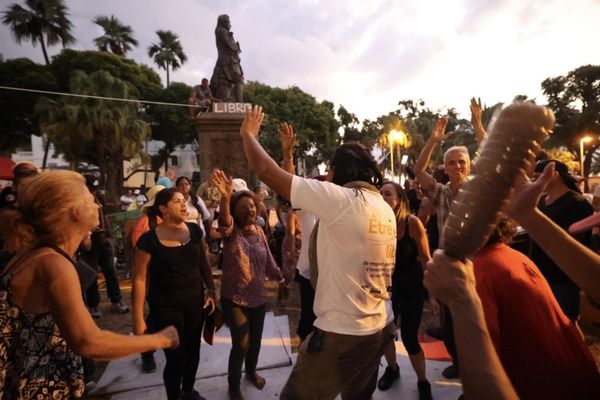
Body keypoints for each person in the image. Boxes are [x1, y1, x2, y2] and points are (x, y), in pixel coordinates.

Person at [238, 106, 397, 400]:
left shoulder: (343, 200)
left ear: (337, 171)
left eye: (330, 170)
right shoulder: (383, 207)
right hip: (377, 327)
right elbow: (294, 193)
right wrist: (288, 155)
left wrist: (247, 134)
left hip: (341, 332)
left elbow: (265, 172)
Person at [0, 170, 179, 399]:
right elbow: (88, 342)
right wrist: (160, 339)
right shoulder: (53, 264)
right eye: (89, 199)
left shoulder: (39, 253)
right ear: (75, 212)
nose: (97, 205)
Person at [471, 217, 600, 399]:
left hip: (542, 382)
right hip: (573, 369)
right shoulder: (514, 256)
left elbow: (485, 351)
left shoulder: (482, 270)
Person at [133, 188, 216, 400]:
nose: (183, 205)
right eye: (177, 201)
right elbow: (140, 280)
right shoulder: (148, 240)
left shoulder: (195, 231)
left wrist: (211, 290)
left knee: (193, 352)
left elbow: (203, 263)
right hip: (165, 309)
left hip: (195, 304)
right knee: (176, 358)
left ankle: (188, 391)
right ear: (163, 209)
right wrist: (138, 319)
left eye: (184, 201)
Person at [210, 169, 286, 400]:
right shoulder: (231, 234)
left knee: (255, 341)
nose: (250, 210)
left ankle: (251, 372)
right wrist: (225, 197)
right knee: (241, 343)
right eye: (244, 207)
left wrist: (281, 279)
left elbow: (270, 263)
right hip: (235, 299)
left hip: (258, 297)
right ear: (235, 212)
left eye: (252, 206)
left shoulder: (260, 231)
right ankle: (234, 384)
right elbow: (224, 222)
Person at [376, 181, 432, 398]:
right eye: (379, 193)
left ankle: (423, 381)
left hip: (412, 289)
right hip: (387, 290)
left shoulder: (412, 223)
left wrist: (433, 294)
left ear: (400, 199)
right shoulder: (377, 225)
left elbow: (426, 259)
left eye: (387, 194)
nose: (382, 197)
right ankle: (392, 370)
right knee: (386, 336)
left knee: (409, 338)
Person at [529, 159, 594, 321]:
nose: (535, 181)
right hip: (541, 274)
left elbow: (572, 240)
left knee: (566, 324)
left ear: (555, 175)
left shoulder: (577, 203)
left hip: (563, 278)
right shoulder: (542, 201)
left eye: (538, 176)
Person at [128, 184, 165, 373]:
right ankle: (147, 352)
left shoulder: (175, 221)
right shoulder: (144, 223)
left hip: (174, 282)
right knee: (157, 317)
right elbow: (139, 256)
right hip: (154, 282)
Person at [210, 14, 244, 102]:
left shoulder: (224, 32)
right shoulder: (221, 31)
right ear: (224, 22)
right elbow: (231, 46)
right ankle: (240, 103)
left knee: (226, 82)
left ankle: (236, 102)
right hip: (228, 61)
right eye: (229, 22)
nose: (230, 24)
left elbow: (235, 49)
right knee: (238, 79)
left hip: (230, 61)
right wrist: (236, 46)